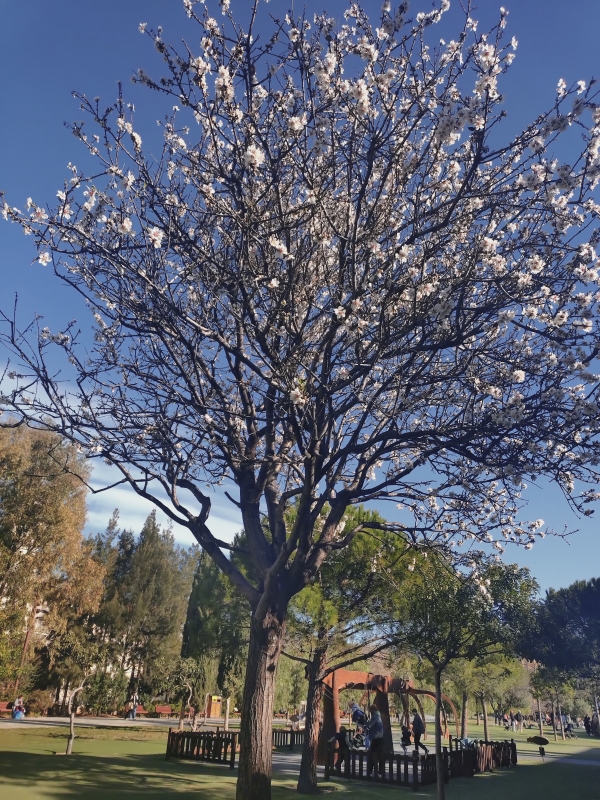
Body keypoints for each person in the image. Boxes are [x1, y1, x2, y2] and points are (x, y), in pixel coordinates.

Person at [365, 705, 384, 776]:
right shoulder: (378, 716)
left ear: (372, 710)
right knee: (378, 756)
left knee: (373, 756)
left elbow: (370, 725)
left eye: (370, 711)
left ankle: (372, 772)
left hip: (376, 738)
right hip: (379, 738)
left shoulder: (375, 717)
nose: (370, 712)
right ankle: (378, 772)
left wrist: (364, 722)